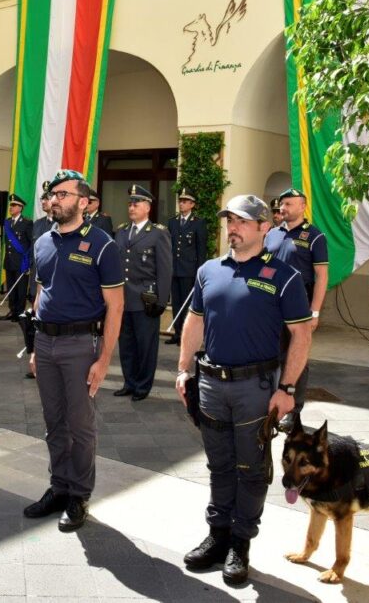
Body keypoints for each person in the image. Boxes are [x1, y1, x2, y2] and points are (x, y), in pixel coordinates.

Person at [175, 194, 312, 585]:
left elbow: (302, 334)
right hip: (211, 385)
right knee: (219, 464)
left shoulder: (284, 276)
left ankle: (240, 543)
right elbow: (195, 322)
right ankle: (217, 535)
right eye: (229, 221)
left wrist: (287, 388)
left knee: (251, 468)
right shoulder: (209, 270)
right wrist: (184, 369)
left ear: (264, 227)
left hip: (257, 387)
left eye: (242, 222)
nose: (232, 228)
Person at [25, 169, 124, 532]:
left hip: (81, 344)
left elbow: (115, 306)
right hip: (46, 342)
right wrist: (34, 347)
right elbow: (41, 294)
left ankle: (79, 495)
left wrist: (104, 360)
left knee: (80, 426)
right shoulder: (43, 242)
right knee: (54, 422)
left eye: (63, 194)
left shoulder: (102, 245)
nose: (55, 199)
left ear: (83, 202)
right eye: (53, 194)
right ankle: (59, 486)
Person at [264, 187, 328, 430]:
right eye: (282, 203)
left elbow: (322, 276)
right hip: (271, 304)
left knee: (295, 355)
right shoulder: (272, 234)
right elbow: (264, 266)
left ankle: (293, 409)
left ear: (302, 206)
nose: (283, 207)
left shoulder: (314, 236)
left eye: (289, 203)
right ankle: (269, 401)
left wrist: (315, 311)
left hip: (298, 305)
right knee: (270, 354)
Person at [112, 184, 171, 402]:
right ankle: (129, 382)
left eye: (136, 203)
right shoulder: (121, 231)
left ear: (147, 207)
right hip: (123, 299)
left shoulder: (158, 233)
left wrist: (161, 301)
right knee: (126, 344)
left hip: (146, 299)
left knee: (145, 345)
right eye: (130, 203)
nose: (131, 207)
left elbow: (165, 270)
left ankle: (142, 385)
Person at [166, 187, 208, 345]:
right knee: (176, 303)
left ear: (192, 204)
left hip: (189, 271)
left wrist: (199, 272)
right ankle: (177, 333)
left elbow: (201, 250)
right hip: (174, 269)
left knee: (187, 304)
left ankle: (185, 334)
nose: (181, 204)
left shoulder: (198, 223)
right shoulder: (172, 222)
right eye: (180, 201)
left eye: (185, 201)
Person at [22, 182, 55, 379]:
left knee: (51, 325)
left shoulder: (60, 224)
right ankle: (36, 360)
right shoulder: (38, 224)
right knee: (35, 323)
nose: (43, 202)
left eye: (47, 198)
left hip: (53, 284)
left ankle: (50, 364)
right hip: (37, 281)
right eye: (42, 199)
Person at [0, 193, 32, 321]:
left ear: (20, 208)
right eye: (10, 205)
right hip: (9, 261)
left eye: (13, 205)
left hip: (21, 262)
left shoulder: (27, 223)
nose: (11, 207)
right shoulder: (7, 222)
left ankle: (19, 312)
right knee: (11, 288)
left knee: (21, 288)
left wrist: (28, 260)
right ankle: (12, 310)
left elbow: (31, 243)